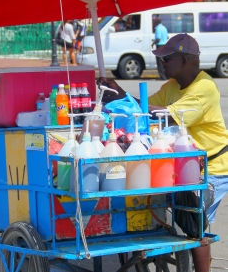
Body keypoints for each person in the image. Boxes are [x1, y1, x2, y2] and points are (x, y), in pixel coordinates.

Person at [97, 33, 228, 272]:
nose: (163, 64)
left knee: (195, 223)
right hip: (183, 164)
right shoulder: (171, 86)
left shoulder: (205, 87)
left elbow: (165, 113)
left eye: (168, 59)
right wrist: (121, 100)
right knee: (169, 209)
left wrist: (125, 97)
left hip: (212, 167)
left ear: (186, 60)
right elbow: (143, 110)